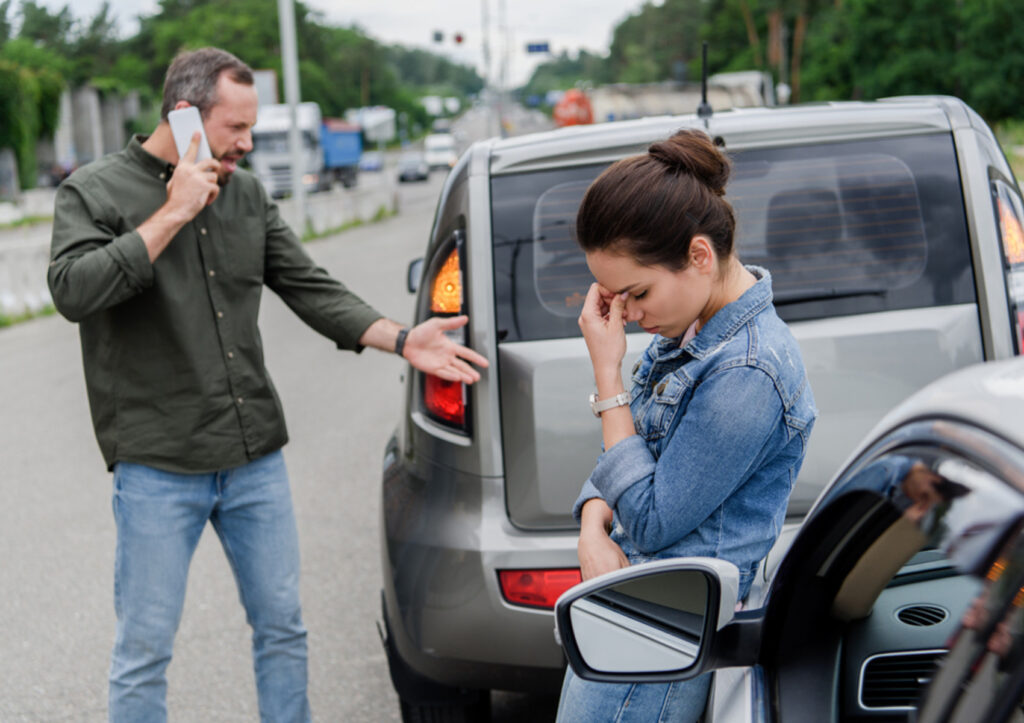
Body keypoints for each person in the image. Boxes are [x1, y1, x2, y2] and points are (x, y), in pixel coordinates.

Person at [46, 47, 488, 723]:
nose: (249, 145)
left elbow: (310, 287)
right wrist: (171, 213)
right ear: (187, 117)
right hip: (159, 462)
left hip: (254, 458)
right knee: (144, 649)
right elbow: (74, 291)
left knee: (282, 628)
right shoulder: (95, 191)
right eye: (237, 129)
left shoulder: (246, 193)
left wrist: (403, 337)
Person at [556, 129, 817, 723]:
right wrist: (593, 528)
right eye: (615, 301)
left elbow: (648, 519)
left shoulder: (748, 370)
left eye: (637, 294)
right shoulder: (693, 333)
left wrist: (607, 371)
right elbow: (631, 458)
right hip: (632, 614)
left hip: (662, 636)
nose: (630, 316)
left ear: (699, 255)